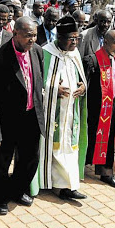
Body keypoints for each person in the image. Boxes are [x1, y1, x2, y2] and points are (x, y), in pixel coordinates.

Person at [0, 17, 45, 215]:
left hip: (31, 117)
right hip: (7, 120)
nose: (32, 39)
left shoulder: (37, 51)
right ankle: (1, 196)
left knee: (30, 159)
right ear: (15, 33)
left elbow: (38, 83)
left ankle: (18, 190)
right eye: (28, 35)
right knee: (3, 161)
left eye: (35, 35)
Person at [31, 16, 88, 199]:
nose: (75, 42)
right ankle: (51, 183)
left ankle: (67, 185)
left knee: (68, 147)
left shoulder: (75, 53)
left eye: (77, 38)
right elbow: (36, 83)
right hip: (52, 113)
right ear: (60, 37)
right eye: (71, 38)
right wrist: (53, 89)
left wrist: (83, 87)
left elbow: (81, 78)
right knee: (52, 147)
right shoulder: (46, 52)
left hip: (71, 113)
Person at [82, 30, 115, 188]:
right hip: (93, 110)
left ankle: (106, 172)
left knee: (109, 140)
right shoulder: (92, 60)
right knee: (90, 138)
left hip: (111, 109)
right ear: (105, 42)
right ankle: (81, 167)